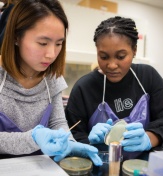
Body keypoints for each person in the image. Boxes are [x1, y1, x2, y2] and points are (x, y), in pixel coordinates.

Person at [0, 0, 102, 166]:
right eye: (42, 43)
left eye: (59, 44)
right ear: (16, 37)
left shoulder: (52, 79)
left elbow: (57, 122)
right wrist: (32, 138)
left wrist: (68, 142)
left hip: (40, 167)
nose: (51, 54)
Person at [65, 16, 163, 161]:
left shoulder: (147, 76)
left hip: (143, 166)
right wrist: (90, 142)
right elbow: (71, 135)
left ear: (134, 50)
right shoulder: (84, 88)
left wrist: (149, 138)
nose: (111, 65)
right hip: (100, 167)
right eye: (104, 57)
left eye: (121, 56)